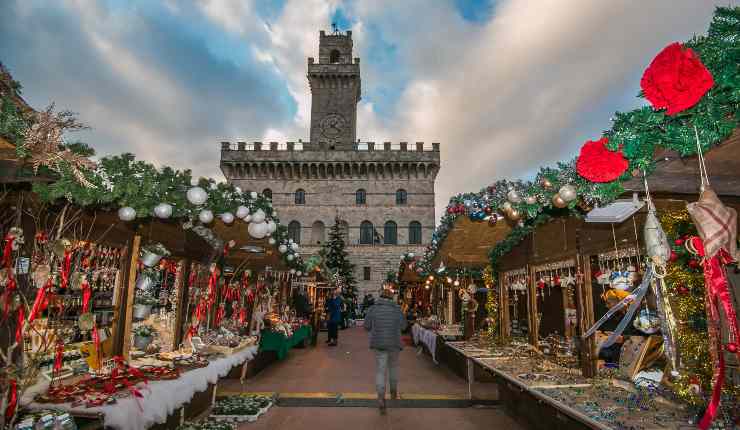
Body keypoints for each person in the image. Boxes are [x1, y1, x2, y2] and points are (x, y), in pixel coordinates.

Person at [364, 287, 407, 415]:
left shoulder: (373, 309)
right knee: (393, 367)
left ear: (381, 297)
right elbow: (404, 326)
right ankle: (393, 392)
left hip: (378, 344)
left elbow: (366, 326)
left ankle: (381, 398)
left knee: (380, 370)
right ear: (391, 298)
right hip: (394, 343)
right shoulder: (397, 309)